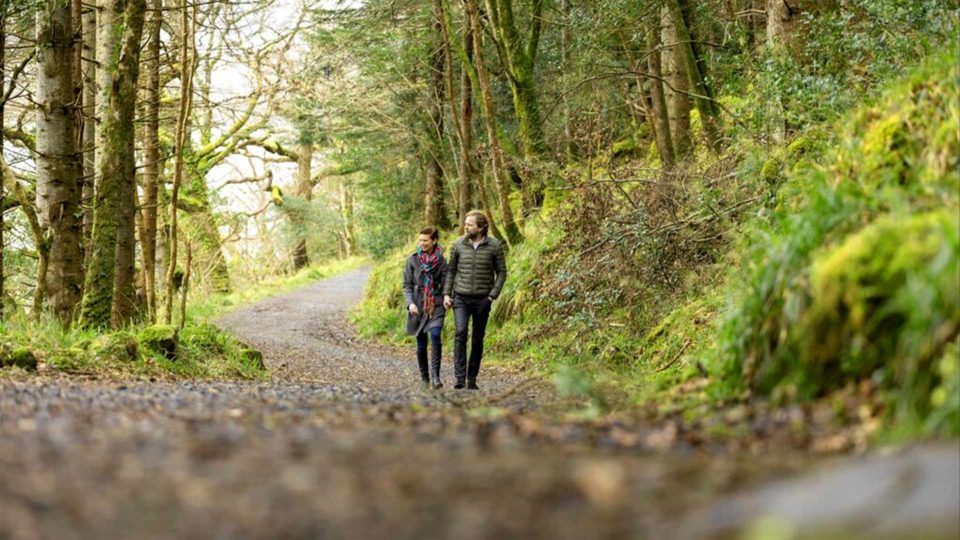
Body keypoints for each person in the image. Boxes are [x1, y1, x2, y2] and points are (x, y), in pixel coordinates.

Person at [443, 210, 507, 390]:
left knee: (477, 339)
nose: (465, 227)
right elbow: (451, 270)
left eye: (469, 224)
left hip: (482, 300)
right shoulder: (458, 244)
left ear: (481, 227)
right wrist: (447, 294)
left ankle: (472, 378)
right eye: (465, 223)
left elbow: (502, 272)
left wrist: (491, 296)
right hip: (461, 298)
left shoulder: (494, 246)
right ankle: (459, 377)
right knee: (460, 332)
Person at [403, 227, 448, 389]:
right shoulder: (412, 260)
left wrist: (447, 296)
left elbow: (446, 284)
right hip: (418, 305)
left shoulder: (442, 261)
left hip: (435, 303)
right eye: (420, 240)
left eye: (425, 240)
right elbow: (406, 285)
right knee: (421, 343)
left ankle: (436, 376)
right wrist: (410, 304)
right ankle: (425, 378)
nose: (422, 243)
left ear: (434, 241)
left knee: (436, 335)